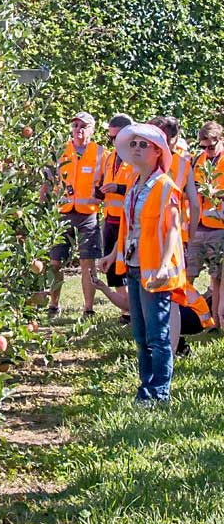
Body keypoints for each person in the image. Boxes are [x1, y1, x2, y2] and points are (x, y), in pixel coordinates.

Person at [99, 123, 186, 406]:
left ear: (158, 152)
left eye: (143, 144)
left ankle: (160, 392)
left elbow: (173, 230)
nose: (136, 148)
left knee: (157, 336)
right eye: (133, 144)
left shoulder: (166, 187)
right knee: (140, 335)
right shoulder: (135, 185)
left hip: (154, 271)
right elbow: (130, 227)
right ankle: (145, 389)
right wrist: (114, 253)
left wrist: (162, 265)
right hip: (134, 267)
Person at [40, 111, 105, 318]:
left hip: (88, 214)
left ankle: (88, 308)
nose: (79, 130)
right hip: (62, 212)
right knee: (55, 261)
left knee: (88, 262)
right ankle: (53, 304)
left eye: (83, 126)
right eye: (76, 126)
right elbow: (48, 180)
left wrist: (101, 196)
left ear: (92, 130)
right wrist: (42, 202)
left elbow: (107, 179)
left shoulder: (101, 153)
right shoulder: (60, 150)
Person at [98, 114, 134, 323]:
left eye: (115, 137)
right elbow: (106, 180)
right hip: (110, 217)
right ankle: (125, 310)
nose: (112, 141)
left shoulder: (137, 155)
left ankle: (131, 311)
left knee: (127, 264)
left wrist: (119, 188)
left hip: (128, 220)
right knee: (113, 267)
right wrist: (100, 191)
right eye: (110, 137)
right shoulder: (111, 157)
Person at [187, 121, 224, 323]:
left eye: (211, 146)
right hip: (197, 226)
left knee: (216, 277)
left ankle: (216, 322)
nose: (207, 151)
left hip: (219, 227)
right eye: (203, 147)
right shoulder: (197, 161)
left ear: (221, 140)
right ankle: (187, 317)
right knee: (188, 274)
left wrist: (214, 193)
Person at [149, 116, 199, 248]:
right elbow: (195, 205)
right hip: (175, 233)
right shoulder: (183, 164)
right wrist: (191, 236)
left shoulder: (142, 160)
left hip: (146, 230)